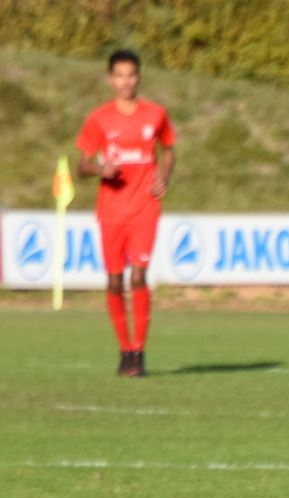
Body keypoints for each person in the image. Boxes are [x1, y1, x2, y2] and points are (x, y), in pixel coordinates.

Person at [76, 49, 176, 378]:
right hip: (111, 210)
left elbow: (169, 150)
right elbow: (82, 165)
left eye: (131, 75)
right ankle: (124, 349)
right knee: (115, 281)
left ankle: (139, 352)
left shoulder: (156, 115)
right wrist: (99, 169)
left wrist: (164, 177)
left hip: (145, 207)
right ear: (110, 79)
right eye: (119, 75)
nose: (125, 81)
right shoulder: (99, 118)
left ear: (138, 77)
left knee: (138, 277)